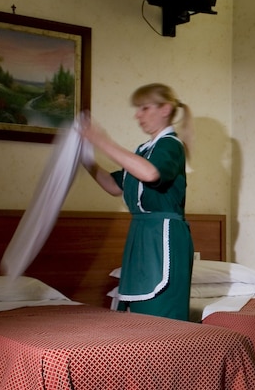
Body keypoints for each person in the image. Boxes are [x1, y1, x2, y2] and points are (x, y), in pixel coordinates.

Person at [80, 83, 194, 320]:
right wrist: (86, 160)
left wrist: (102, 141)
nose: (137, 115)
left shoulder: (171, 145)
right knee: (136, 313)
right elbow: (114, 186)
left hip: (163, 236)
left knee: (159, 312)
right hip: (142, 235)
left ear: (165, 109)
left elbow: (150, 174)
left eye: (144, 108)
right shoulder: (144, 150)